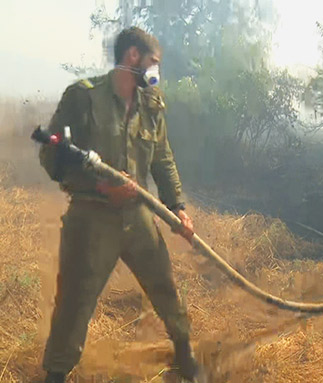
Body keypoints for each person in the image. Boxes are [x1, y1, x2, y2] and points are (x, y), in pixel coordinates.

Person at [39, 27, 199, 382]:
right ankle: (56, 374)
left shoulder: (151, 105)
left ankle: (186, 356)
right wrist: (97, 185)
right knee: (75, 303)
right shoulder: (83, 98)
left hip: (137, 215)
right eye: (153, 62)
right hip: (92, 216)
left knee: (165, 287)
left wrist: (177, 207)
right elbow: (52, 157)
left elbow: (163, 159)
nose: (156, 70)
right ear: (132, 56)